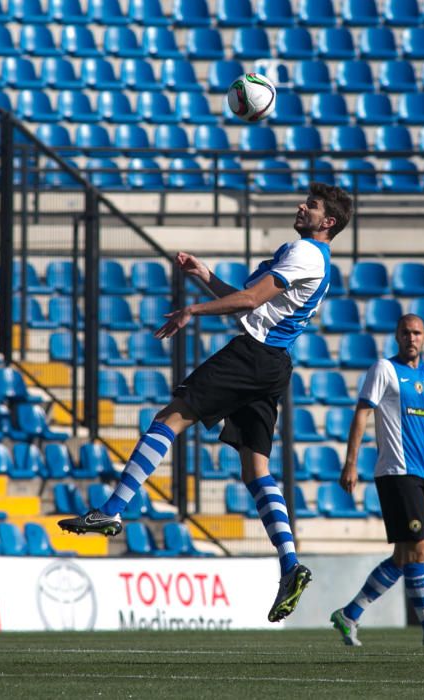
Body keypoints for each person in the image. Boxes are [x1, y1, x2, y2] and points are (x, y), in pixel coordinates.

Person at [59, 183, 353, 624]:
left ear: (328, 221)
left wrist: (192, 310)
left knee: (170, 417)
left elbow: (251, 301)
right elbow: (250, 304)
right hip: (274, 364)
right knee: (256, 468)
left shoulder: (305, 252)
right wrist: (203, 274)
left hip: (251, 356)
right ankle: (290, 564)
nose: (301, 206)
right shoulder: (314, 259)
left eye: (310, 205)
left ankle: (112, 510)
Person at [330, 314, 424, 647]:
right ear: (397, 336)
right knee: (419, 548)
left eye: (418, 333)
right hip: (396, 472)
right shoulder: (384, 369)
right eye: (406, 332)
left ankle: (351, 614)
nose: (412, 338)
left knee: (406, 554)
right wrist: (350, 464)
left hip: (421, 473)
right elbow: (362, 414)